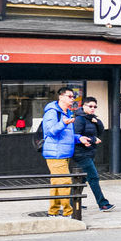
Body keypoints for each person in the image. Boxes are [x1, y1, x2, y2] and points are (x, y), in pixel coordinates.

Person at [41, 87, 80, 217]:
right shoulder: (52, 112)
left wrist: (80, 138)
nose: (72, 99)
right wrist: (63, 123)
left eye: (73, 96)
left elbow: (67, 135)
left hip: (64, 153)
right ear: (61, 97)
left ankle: (53, 211)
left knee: (57, 183)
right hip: (55, 153)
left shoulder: (67, 113)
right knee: (65, 182)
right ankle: (69, 212)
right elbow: (50, 132)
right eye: (69, 96)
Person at [73, 96, 114, 211]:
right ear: (83, 106)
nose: (93, 109)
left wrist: (97, 122)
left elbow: (100, 131)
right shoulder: (79, 119)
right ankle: (103, 204)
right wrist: (92, 140)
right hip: (80, 153)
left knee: (82, 179)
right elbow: (76, 136)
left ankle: (73, 202)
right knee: (93, 177)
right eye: (90, 106)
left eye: (95, 107)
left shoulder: (91, 118)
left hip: (89, 152)